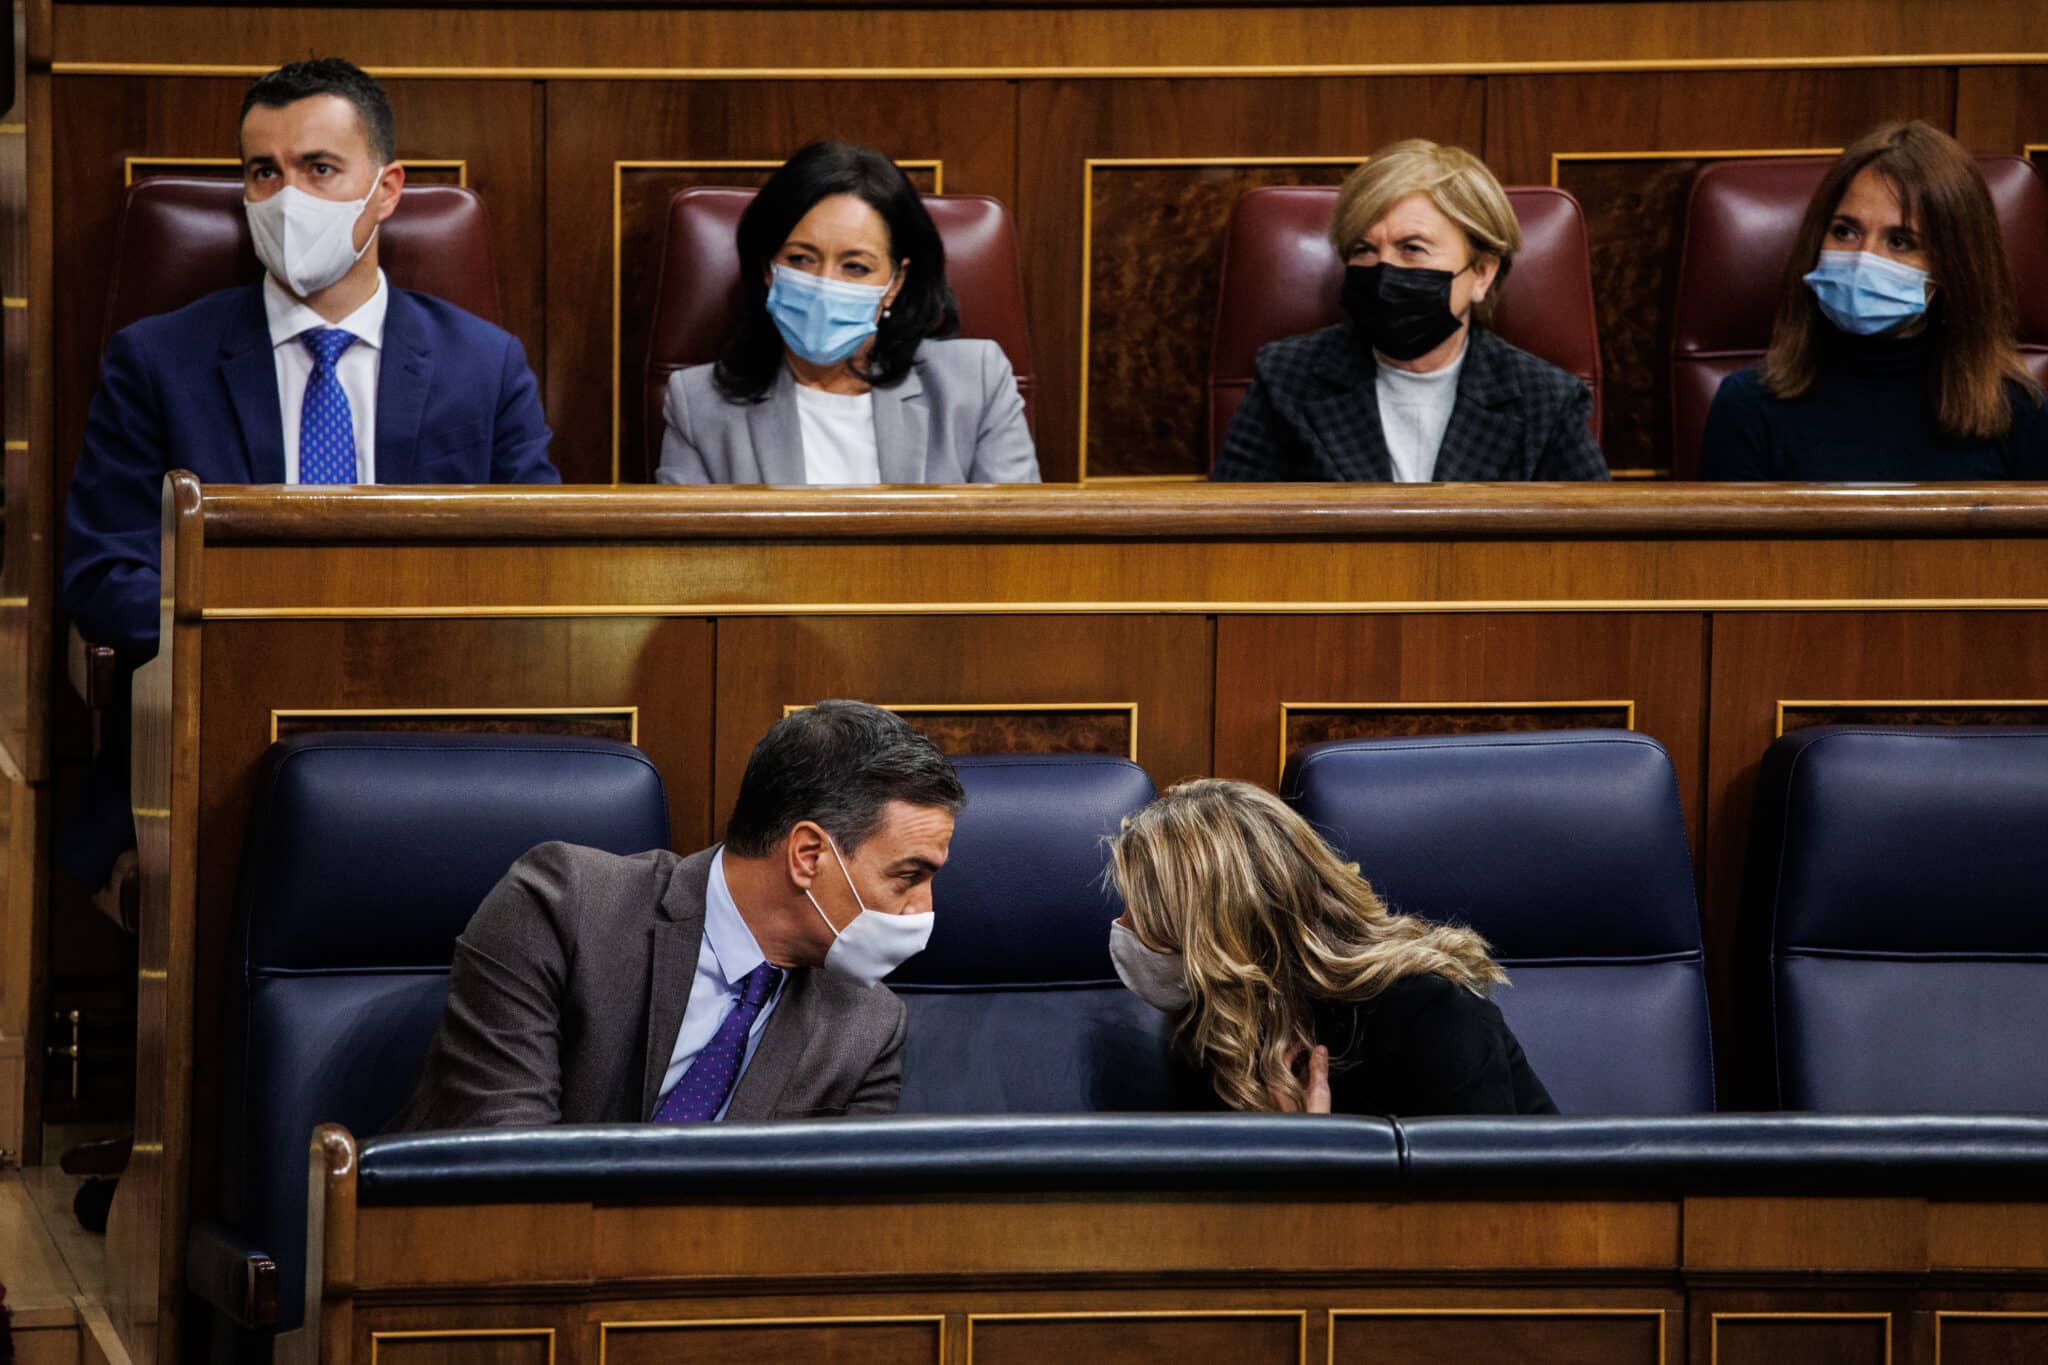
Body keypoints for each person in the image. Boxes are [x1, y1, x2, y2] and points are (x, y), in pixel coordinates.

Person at [56, 57, 558, 896]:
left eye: (320, 169)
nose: (288, 198)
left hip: (434, 731)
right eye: (264, 172)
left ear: (386, 189)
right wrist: (285, 649)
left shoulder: (484, 366)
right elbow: (105, 573)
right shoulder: (156, 361)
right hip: (219, 742)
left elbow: (536, 571)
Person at [394, 701, 965, 1128]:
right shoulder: (563, 909)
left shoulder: (867, 1026)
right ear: (809, 856)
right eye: (908, 877)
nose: (923, 910)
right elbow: (506, 1165)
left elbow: (825, 1229)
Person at [1105, 779, 1556, 1116]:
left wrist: (1321, 1154)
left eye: (1141, 913)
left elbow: (1476, 1225)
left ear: (1218, 933)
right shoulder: (1215, 1032)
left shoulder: (1430, 1016)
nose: (1123, 927)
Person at [1214, 140, 1607, 483]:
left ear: (1482, 272)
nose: (1384, 272)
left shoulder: (1547, 401)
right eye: (1364, 250)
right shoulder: (1286, 379)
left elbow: (1596, 553)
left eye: (1412, 249)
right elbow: (1228, 535)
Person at [655, 140, 1039, 485]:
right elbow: (692, 561)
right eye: (801, 259)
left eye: (855, 267)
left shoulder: (975, 383)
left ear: (895, 283)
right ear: (768, 268)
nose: (823, 285)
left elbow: (1016, 550)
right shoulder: (699, 405)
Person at [1699, 120, 2048, 480]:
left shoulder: (2017, 410)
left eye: (1899, 241)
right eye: (1844, 232)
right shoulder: (1747, 405)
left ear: (1952, 266)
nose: (1862, 258)